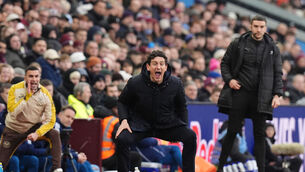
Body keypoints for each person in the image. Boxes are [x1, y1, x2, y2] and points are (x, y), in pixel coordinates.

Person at [217, 15, 283, 172]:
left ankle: (261, 170)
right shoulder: (238, 43)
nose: (258, 30)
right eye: (256, 26)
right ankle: (220, 168)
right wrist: (229, 80)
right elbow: (224, 63)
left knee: (259, 135)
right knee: (232, 131)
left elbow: (278, 73)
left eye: (261, 27)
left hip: (262, 97)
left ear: (265, 28)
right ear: (250, 26)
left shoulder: (273, 48)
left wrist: (277, 94)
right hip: (240, 93)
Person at [115, 50, 197, 172]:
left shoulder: (176, 83)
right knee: (121, 139)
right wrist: (124, 121)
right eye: (154, 64)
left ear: (165, 67)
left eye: (161, 64)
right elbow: (122, 102)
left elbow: (182, 107)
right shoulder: (135, 82)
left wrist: (183, 124)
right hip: (140, 125)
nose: (158, 67)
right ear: (148, 67)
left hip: (167, 125)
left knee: (190, 136)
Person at [0, 66, 62, 172]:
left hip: (33, 127)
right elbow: (13, 112)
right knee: (2, 163)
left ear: (40, 77)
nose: (34, 79)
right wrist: (27, 97)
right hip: (14, 128)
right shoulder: (15, 89)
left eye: (36, 76)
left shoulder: (45, 93)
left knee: (54, 133)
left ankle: (56, 169)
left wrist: (37, 133)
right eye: (31, 76)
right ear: (25, 77)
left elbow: (51, 120)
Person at [54, 105, 98, 172]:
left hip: (63, 156)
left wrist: (76, 154)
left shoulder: (66, 128)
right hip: (54, 157)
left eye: (72, 118)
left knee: (87, 164)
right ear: (60, 114)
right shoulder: (56, 126)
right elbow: (58, 149)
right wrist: (76, 156)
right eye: (67, 116)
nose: (70, 120)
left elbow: (65, 148)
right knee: (74, 163)